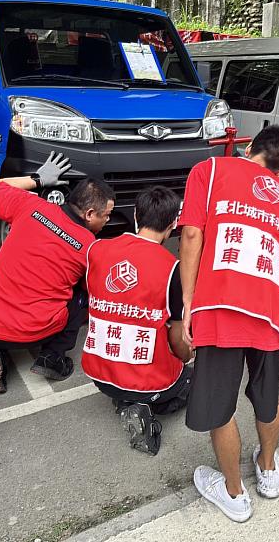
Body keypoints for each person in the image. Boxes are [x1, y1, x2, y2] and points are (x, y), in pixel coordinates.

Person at [179, 125, 279, 523]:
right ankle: (268, 469)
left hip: (220, 307)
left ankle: (234, 493)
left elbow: (190, 234)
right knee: (267, 397)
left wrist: (188, 302)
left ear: (250, 148)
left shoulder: (212, 170)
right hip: (271, 316)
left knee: (220, 407)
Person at [0, 152, 115, 394]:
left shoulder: (30, 206)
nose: (108, 220)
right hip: (36, 330)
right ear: (90, 214)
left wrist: (37, 180)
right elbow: (94, 292)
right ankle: (52, 357)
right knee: (80, 299)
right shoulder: (89, 247)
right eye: (107, 215)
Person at [82, 186, 193, 456]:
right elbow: (177, 340)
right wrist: (188, 356)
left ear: (135, 214)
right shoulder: (172, 269)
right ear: (174, 224)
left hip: (98, 373)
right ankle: (142, 406)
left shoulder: (97, 250)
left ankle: (123, 400)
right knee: (192, 379)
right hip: (149, 380)